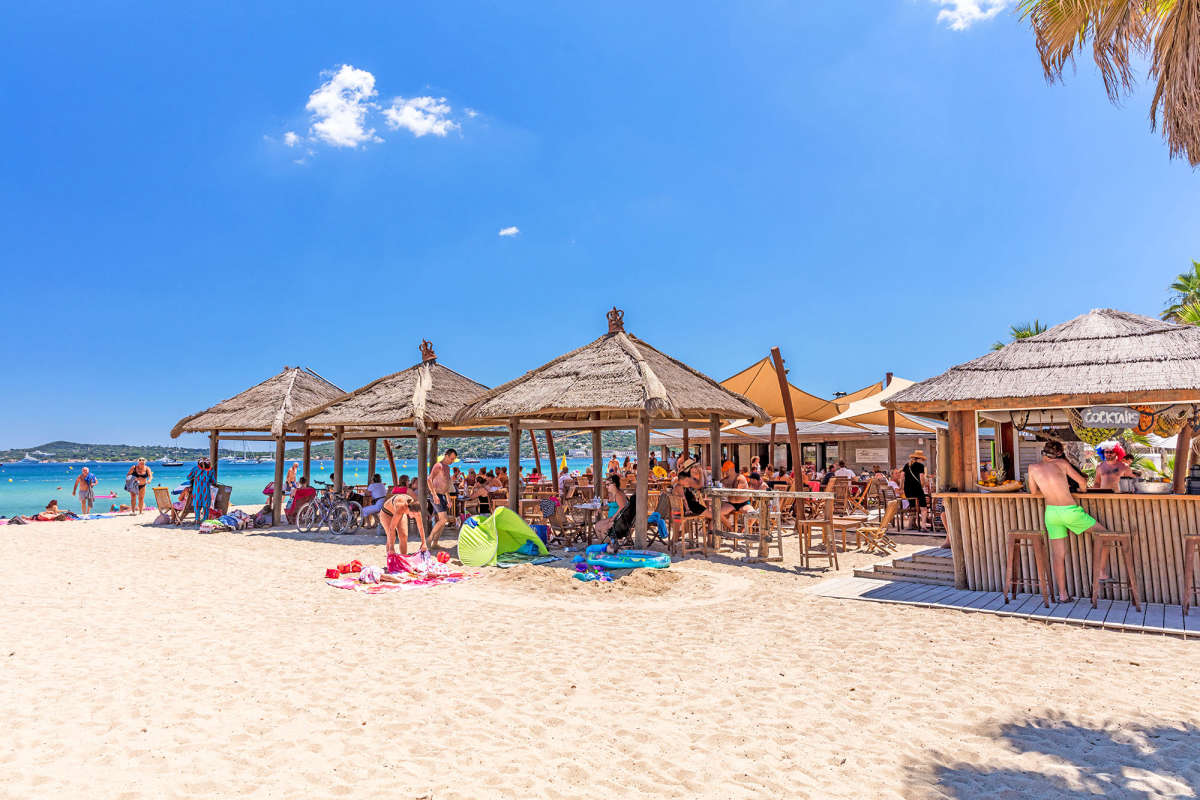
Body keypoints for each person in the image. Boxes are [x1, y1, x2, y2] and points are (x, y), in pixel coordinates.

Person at [1027, 440, 1103, 603]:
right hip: (1069, 511)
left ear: (1043, 452)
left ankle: (1063, 594)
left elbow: (1033, 492)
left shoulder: (1032, 468)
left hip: (1052, 513)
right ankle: (1102, 572)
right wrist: (1081, 490)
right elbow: (1083, 482)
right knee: (1104, 535)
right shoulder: (1061, 463)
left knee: (1058, 555)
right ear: (1060, 453)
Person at [380, 483, 427, 555]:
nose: (414, 516)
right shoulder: (401, 506)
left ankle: (404, 558)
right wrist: (392, 548)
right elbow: (391, 528)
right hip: (386, 513)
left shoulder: (416, 509)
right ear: (408, 508)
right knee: (391, 536)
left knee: (404, 535)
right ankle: (390, 557)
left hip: (400, 513)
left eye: (416, 514)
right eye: (413, 514)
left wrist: (424, 543)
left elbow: (420, 527)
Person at [427, 448, 457, 550]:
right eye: (451, 458)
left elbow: (446, 484)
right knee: (444, 519)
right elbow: (429, 479)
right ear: (446, 456)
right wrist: (434, 495)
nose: (452, 461)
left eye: (454, 459)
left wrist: (448, 498)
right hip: (435, 495)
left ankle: (435, 543)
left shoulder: (447, 468)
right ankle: (429, 540)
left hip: (443, 495)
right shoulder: (438, 466)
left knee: (443, 521)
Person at [901, 451, 928, 529]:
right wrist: (922, 486)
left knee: (912, 506)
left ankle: (910, 525)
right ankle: (923, 526)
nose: (922, 461)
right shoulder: (920, 466)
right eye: (922, 459)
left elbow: (902, 476)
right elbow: (921, 478)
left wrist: (901, 487)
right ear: (919, 459)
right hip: (917, 488)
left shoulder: (907, 465)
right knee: (923, 508)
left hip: (907, 490)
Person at [186, 458, 215, 526]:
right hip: (206, 491)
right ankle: (205, 520)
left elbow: (188, 477)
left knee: (197, 505)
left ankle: (197, 519)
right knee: (206, 505)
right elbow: (213, 481)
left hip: (197, 490)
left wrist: (195, 476)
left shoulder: (195, 469)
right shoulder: (211, 470)